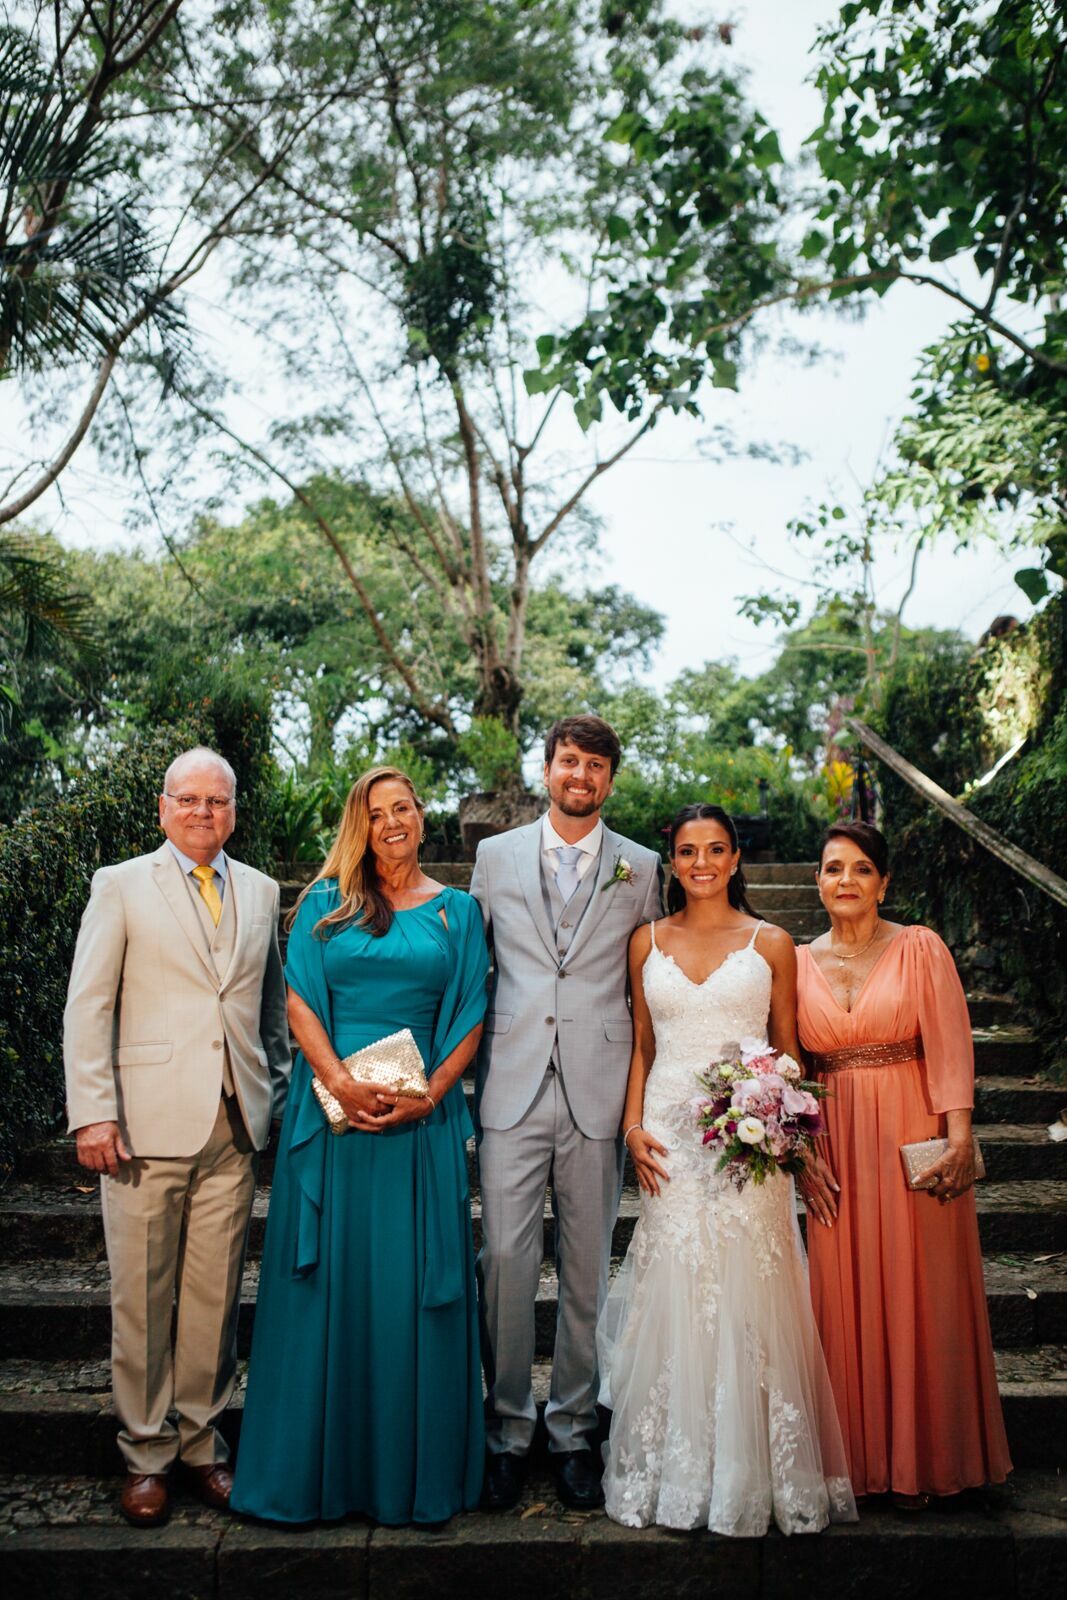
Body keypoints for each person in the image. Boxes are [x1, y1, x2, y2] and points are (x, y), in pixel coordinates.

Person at [231, 766, 489, 1526]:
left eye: (402, 808)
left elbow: (470, 1008)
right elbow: (298, 1001)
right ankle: (313, 1478)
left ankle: (412, 1476)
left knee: (411, 1292)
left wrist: (431, 1095)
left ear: (420, 814)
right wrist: (339, 1084)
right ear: (360, 825)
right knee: (327, 1295)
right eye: (375, 814)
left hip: (420, 1127)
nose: (391, 823)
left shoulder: (457, 912)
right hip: (332, 1122)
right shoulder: (323, 904)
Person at [598, 803, 856, 1536]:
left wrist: (789, 1132)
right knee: (677, 1286)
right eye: (686, 851)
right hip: (671, 1141)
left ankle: (752, 1473)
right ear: (670, 862)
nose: (701, 862)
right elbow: (642, 1044)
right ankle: (671, 1472)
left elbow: (787, 1047)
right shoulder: (643, 940)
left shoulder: (772, 943)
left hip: (752, 1145)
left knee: (751, 1291)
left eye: (715, 849)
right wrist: (631, 1125)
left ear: (737, 857)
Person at [63, 746, 291, 1528]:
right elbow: (88, 1003)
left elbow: (269, 1011)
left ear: (235, 811)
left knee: (214, 1300)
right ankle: (145, 1455)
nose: (204, 814)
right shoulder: (120, 885)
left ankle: (201, 1446)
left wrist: (275, 1097)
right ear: (163, 808)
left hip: (233, 1128)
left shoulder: (261, 891)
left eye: (218, 802)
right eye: (189, 801)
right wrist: (94, 1110)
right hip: (141, 1128)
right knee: (141, 1299)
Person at [469, 715, 663, 1511]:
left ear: (610, 779)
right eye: (568, 761)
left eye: (595, 765)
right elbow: (471, 969)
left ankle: (575, 1428)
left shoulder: (642, 867)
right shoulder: (493, 857)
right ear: (546, 769)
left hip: (598, 1087)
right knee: (506, 1267)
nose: (580, 775)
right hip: (509, 1087)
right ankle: (508, 1430)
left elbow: (653, 984)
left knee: (586, 1270)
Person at [796, 821, 1012, 1507]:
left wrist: (957, 1135)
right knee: (841, 1289)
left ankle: (932, 1460)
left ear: (883, 882)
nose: (846, 882)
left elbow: (949, 1041)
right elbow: (789, 1066)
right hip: (834, 1142)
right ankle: (859, 1463)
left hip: (913, 1136)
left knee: (925, 1290)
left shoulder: (919, 948)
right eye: (833, 869)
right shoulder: (795, 963)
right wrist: (799, 1151)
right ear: (817, 882)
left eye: (861, 869)